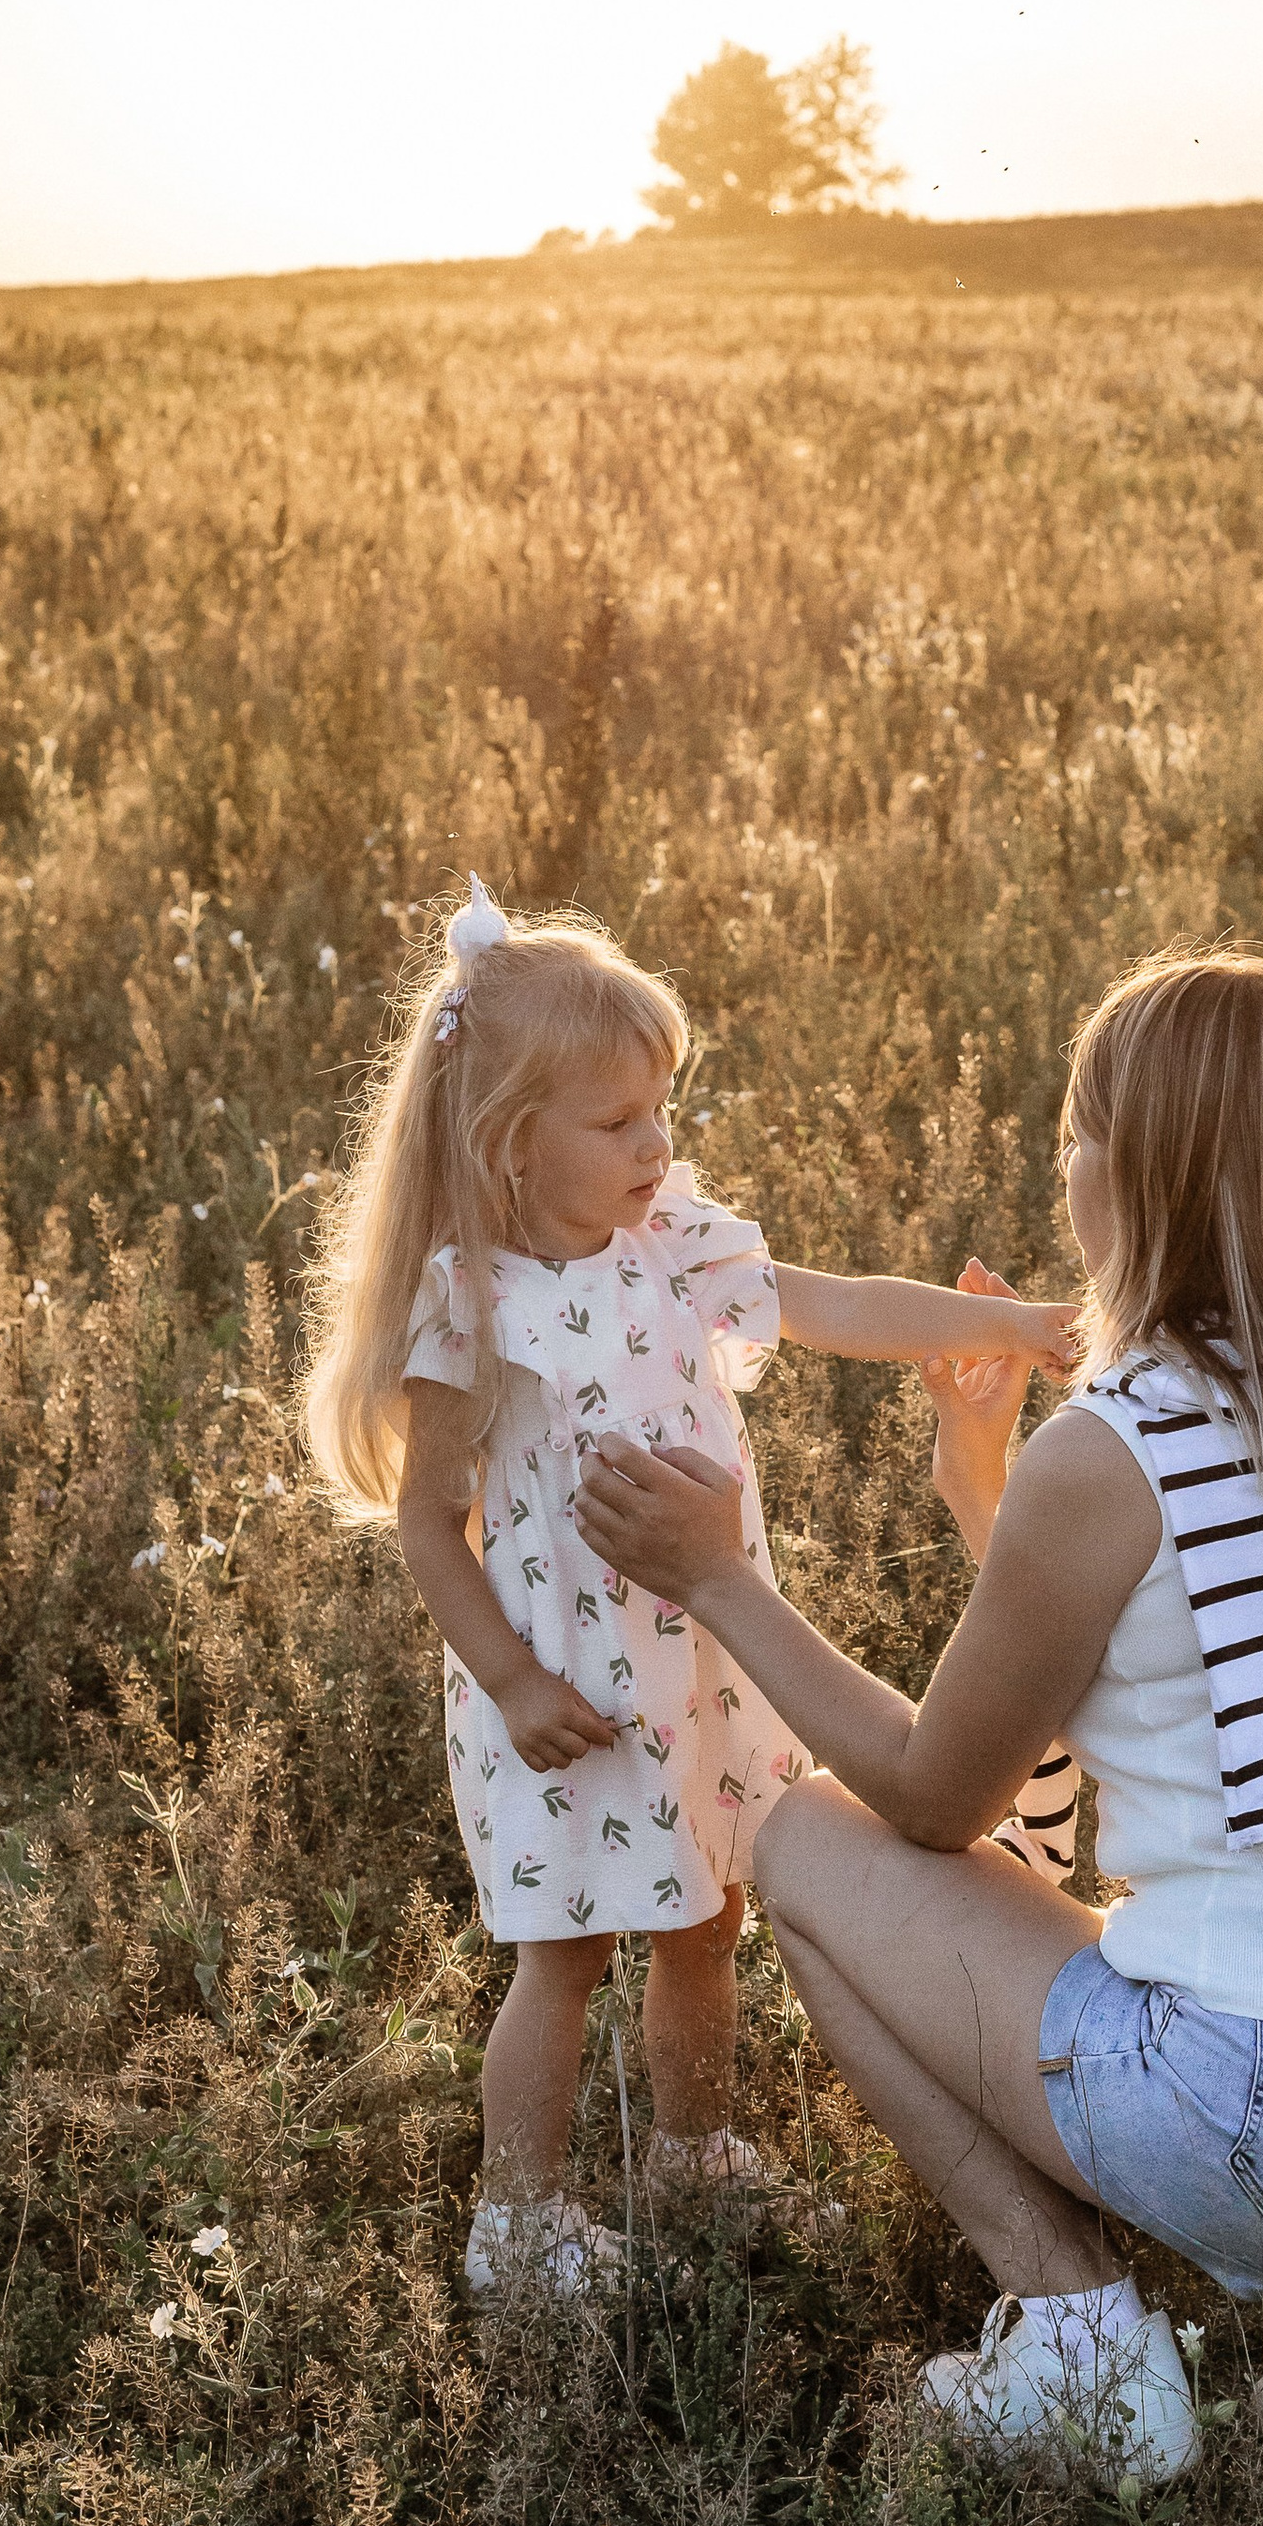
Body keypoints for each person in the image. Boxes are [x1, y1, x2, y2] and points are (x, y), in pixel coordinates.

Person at [576, 952, 1263, 2488]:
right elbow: (1195, 1682)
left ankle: (1083, 2341)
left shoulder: (1118, 1448)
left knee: (806, 1838)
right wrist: (985, 1489)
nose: (1062, 1165)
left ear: (1129, 1172)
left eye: (1073, 1134)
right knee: (1208, 1912)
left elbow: (928, 1798)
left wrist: (719, 1581)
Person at [302, 879, 1074, 2298]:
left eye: (664, 1109)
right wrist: (515, 1682)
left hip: (702, 1662)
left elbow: (835, 1302)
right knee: (569, 1947)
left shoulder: (679, 1243)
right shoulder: (472, 1302)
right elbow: (430, 1525)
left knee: (707, 1917)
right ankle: (520, 2220)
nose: (657, 1143)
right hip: (567, 1690)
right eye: (618, 1123)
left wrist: (1012, 1323)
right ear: (508, 1141)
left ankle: (695, 2150)